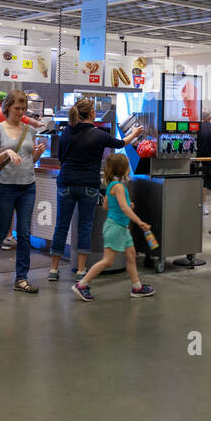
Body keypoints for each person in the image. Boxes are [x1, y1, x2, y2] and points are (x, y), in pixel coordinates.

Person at [49, 97, 143, 284]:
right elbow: (120, 143)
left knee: (61, 226)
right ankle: (81, 271)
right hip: (88, 184)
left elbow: (60, 157)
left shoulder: (67, 132)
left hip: (66, 181)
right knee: (85, 227)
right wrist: (135, 133)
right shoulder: (98, 134)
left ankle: (53, 269)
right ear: (92, 113)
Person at [0, 91, 45, 294]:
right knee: (0, 231)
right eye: (16, 109)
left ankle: (21, 278)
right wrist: (7, 152)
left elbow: (30, 159)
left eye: (23, 109)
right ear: (7, 108)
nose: (20, 112)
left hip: (27, 186)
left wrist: (36, 155)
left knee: (24, 233)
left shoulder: (30, 131)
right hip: (4, 187)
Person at [70, 154, 155, 302]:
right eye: (127, 166)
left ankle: (137, 287)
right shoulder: (119, 187)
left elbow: (106, 205)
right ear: (123, 169)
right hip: (116, 228)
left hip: (120, 227)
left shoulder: (112, 186)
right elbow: (123, 207)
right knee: (108, 261)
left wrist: (127, 205)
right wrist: (138, 221)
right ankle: (82, 285)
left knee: (131, 256)